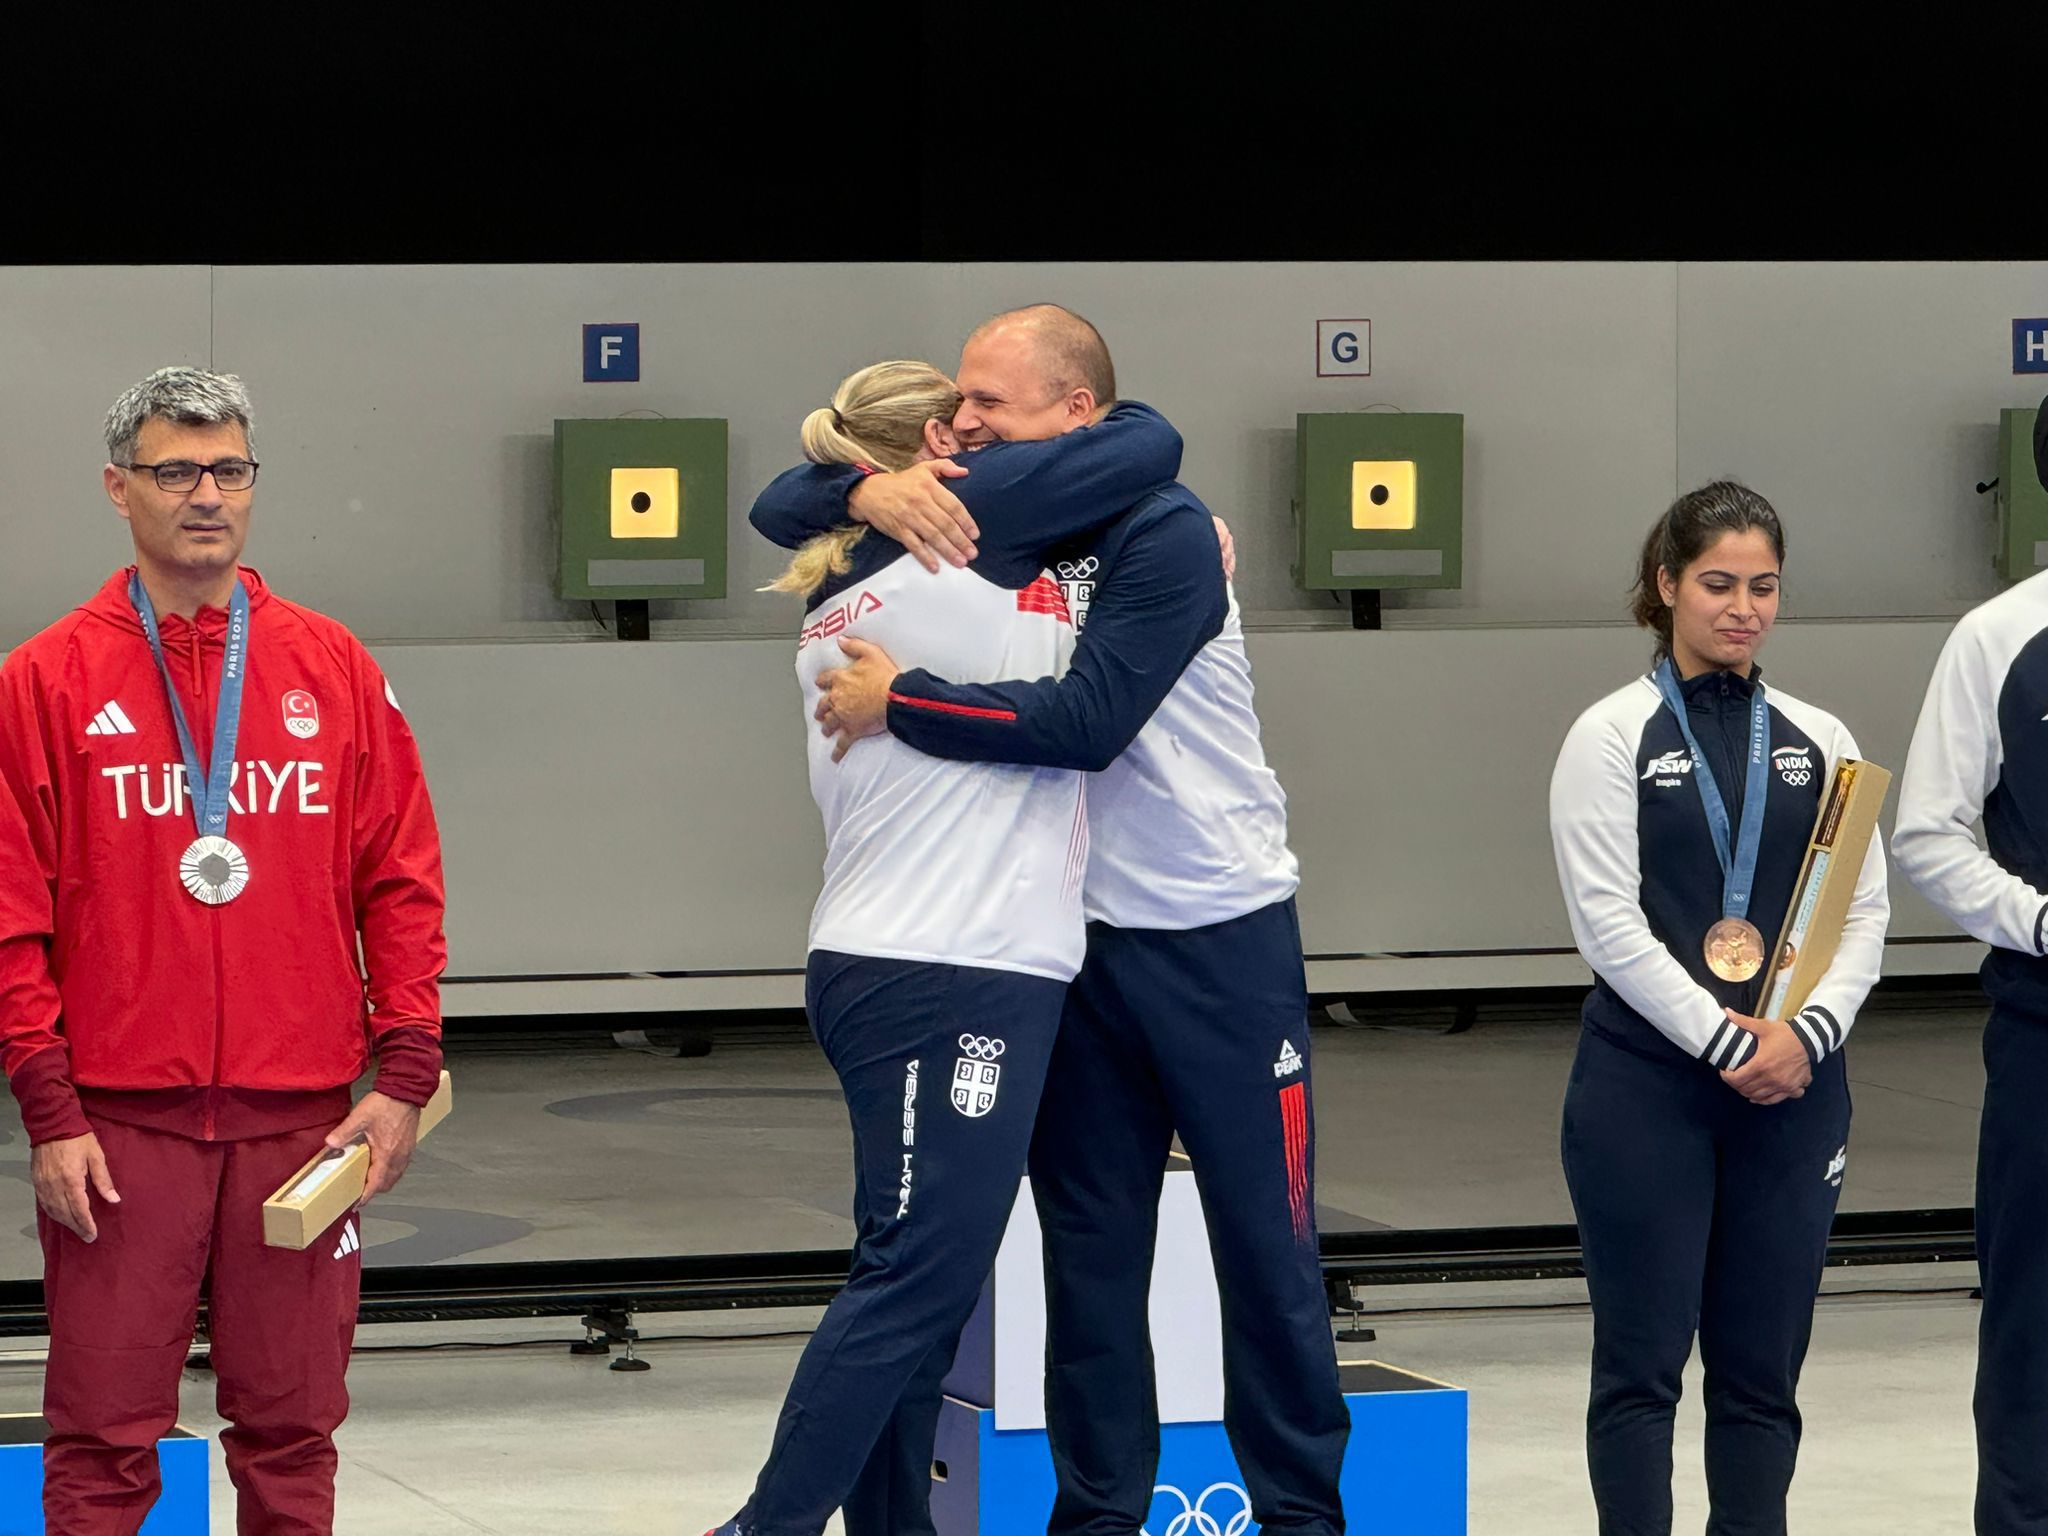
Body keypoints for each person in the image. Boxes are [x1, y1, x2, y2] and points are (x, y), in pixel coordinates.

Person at [756, 305, 1349, 1536]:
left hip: (1217, 935)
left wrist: (903, 702)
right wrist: (866, 495)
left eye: (990, 405)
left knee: (1268, 1252)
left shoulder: (1168, 530)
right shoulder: (989, 525)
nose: (962, 425)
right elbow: (782, 499)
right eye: (956, 405)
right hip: (1073, 951)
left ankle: (1301, 1519)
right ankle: (1094, 1521)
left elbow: (1085, 725)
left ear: (1078, 419)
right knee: (1087, 1268)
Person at [710, 359, 1185, 1536]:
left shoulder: (873, 572)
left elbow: (787, 497)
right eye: (965, 422)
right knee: (917, 1274)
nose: (986, 437)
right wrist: (875, 484)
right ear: (935, 450)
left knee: (919, 1279)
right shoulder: (957, 544)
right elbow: (1147, 443)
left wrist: (844, 488)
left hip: (910, 960)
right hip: (950, 971)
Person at [0, 367, 447, 1535]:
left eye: (230, 470)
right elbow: (10, 916)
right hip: (118, 1124)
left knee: (293, 1435)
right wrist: (49, 1109)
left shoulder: (334, 666)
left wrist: (402, 1078)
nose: (208, 495)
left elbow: (399, 879)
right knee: (101, 1438)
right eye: (176, 471)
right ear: (119, 488)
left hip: (304, 1120)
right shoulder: (44, 679)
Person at [1548, 481, 1887, 1535]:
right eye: (1716, 584)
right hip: (1647, 1091)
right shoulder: (1607, 736)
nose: (1741, 607)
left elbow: (1862, 908)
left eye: (1762, 586)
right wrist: (1726, 1038)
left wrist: (1804, 1038)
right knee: (1639, 1373)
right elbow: (1606, 924)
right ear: (1665, 586)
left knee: (1757, 1378)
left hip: (1793, 1091)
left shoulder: (1818, 734)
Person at [1891, 395, 2048, 1536]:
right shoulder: (1997, 637)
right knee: (2036, 1325)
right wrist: (2037, 921)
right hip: (2044, 1039)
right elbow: (1927, 832)